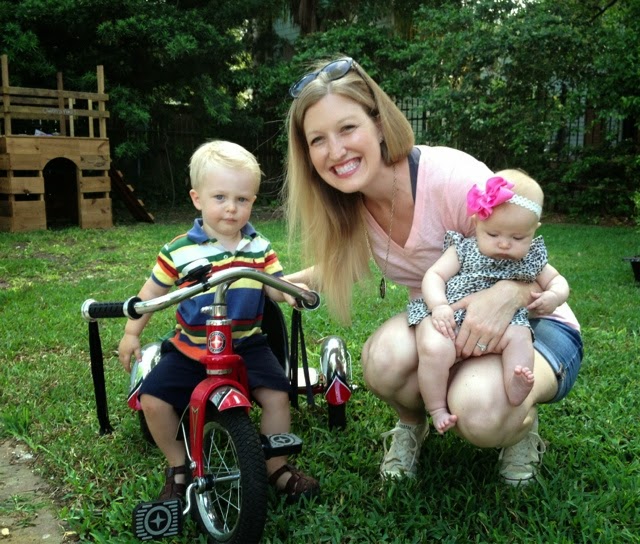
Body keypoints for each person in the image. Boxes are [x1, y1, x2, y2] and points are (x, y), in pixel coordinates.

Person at [283, 56, 583, 485]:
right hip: (451, 323)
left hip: (535, 324)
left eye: (347, 128)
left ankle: (521, 426)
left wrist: (507, 295)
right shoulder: (349, 203)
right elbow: (342, 265)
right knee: (383, 360)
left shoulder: (452, 179)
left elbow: (526, 254)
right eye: (318, 140)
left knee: (480, 412)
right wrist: (278, 282)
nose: (335, 151)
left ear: (379, 124)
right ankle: (412, 425)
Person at [118, 140, 319, 503]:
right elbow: (150, 296)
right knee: (152, 399)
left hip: (246, 343)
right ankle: (178, 466)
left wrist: (291, 292)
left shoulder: (259, 246)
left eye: (242, 199)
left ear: (252, 201)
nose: (231, 208)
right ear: (197, 199)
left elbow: (274, 286)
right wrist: (132, 332)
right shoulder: (179, 250)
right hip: (191, 348)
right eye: (220, 197)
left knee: (278, 395)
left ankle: (277, 467)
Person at [411, 170, 570, 434]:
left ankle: (516, 384)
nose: (504, 244)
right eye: (493, 234)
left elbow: (558, 281)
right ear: (476, 223)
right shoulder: (463, 249)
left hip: (505, 324)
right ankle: (436, 408)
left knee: (520, 338)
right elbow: (434, 275)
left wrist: (554, 296)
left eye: (518, 238)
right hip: (451, 316)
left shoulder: (531, 258)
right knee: (434, 348)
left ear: (534, 230)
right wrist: (438, 306)